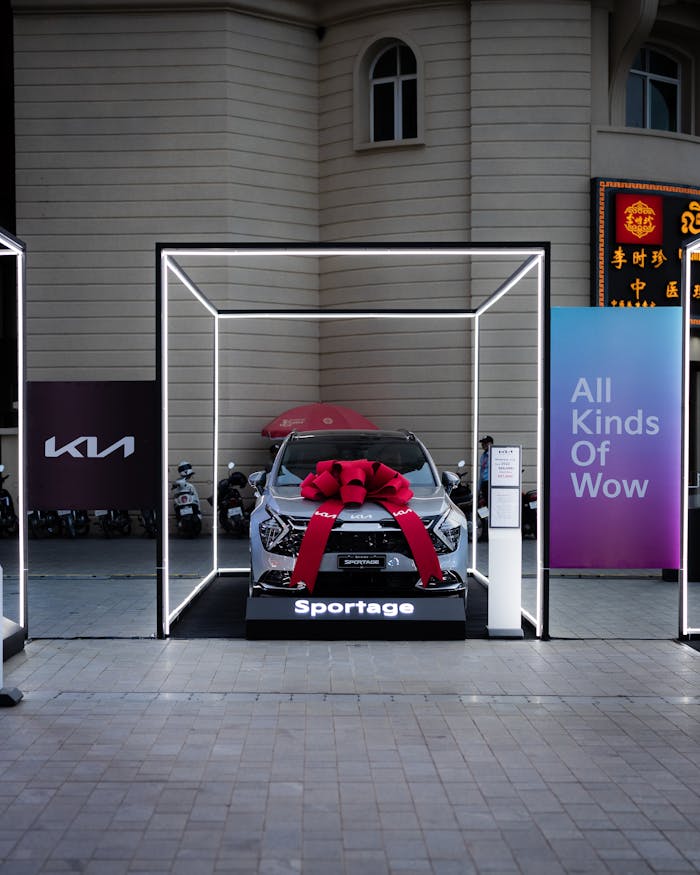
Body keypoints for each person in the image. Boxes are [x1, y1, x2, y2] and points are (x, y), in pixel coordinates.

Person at [478, 435, 493, 541]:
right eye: (482, 443)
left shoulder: (494, 455)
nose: (482, 445)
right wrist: (478, 488)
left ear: (490, 443)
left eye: (485, 443)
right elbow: (481, 472)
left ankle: (488, 533)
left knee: (490, 508)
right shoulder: (483, 456)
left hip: (490, 484)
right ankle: (485, 532)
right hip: (484, 484)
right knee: (483, 508)